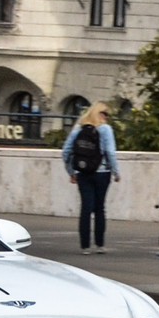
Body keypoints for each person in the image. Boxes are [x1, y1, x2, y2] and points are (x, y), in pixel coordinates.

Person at [62, 102, 119, 252]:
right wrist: (116, 171)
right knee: (99, 208)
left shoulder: (78, 129)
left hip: (83, 173)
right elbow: (110, 152)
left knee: (86, 208)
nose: (107, 117)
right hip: (102, 172)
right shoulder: (105, 129)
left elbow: (66, 152)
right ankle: (100, 245)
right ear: (100, 114)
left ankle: (85, 246)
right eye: (106, 113)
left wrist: (71, 172)